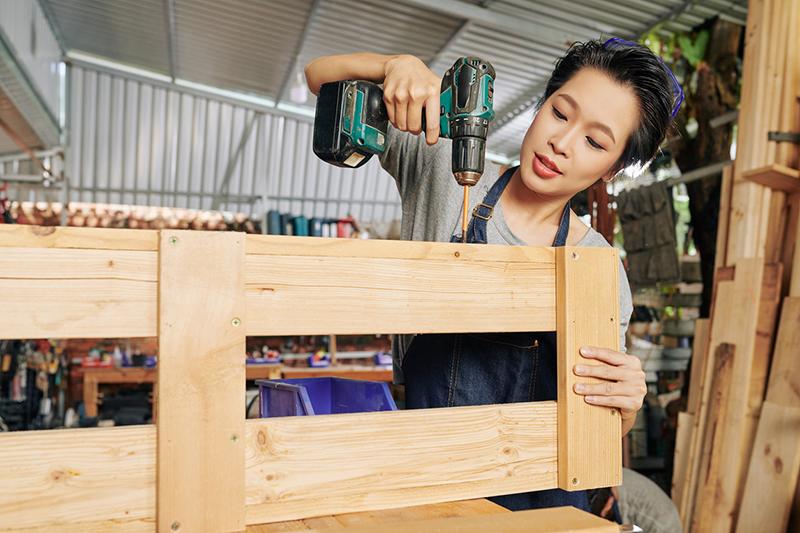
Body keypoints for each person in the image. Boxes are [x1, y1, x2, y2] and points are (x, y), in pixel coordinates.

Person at [305, 38, 679, 512]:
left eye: (594, 141)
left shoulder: (598, 266)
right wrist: (394, 65)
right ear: (541, 105)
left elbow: (602, 423)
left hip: (547, 508)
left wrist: (625, 407)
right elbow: (319, 75)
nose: (561, 143)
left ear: (613, 167)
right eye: (560, 113)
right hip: (432, 490)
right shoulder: (444, 166)